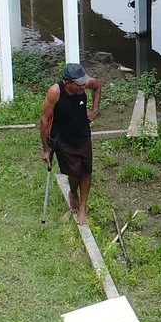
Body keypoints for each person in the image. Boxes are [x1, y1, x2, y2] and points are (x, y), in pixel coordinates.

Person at [39, 61, 105, 225]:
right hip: (63, 137)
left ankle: (83, 207)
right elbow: (45, 119)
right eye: (79, 85)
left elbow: (97, 86)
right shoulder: (55, 92)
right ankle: (72, 192)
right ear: (68, 83)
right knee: (74, 172)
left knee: (86, 169)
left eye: (84, 83)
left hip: (82, 133)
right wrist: (46, 150)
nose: (84, 87)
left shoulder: (84, 83)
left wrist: (94, 110)